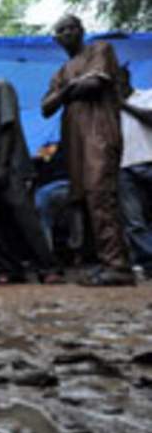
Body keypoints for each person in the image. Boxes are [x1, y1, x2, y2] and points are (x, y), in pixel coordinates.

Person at [42, 15, 133, 286]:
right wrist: (70, 88)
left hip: (100, 133)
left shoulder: (100, 49)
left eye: (72, 28)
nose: (67, 33)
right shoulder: (62, 70)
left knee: (100, 194)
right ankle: (103, 263)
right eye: (61, 30)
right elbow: (46, 107)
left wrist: (64, 92)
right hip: (75, 141)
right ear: (56, 39)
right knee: (83, 199)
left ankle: (118, 265)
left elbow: (95, 84)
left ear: (82, 31)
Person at [0, 54, 62, 284]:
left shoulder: (0, 87)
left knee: (23, 216)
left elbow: (8, 127)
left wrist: (2, 164)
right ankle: (9, 268)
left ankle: (47, 267)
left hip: (8, 163)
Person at [117, 66, 152, 278]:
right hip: (123, 167)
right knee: (134, 222)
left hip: (150, 161)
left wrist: (124, 105)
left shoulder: (147, 95)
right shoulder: (106, 108)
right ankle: (149, 262)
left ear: (127, 77)